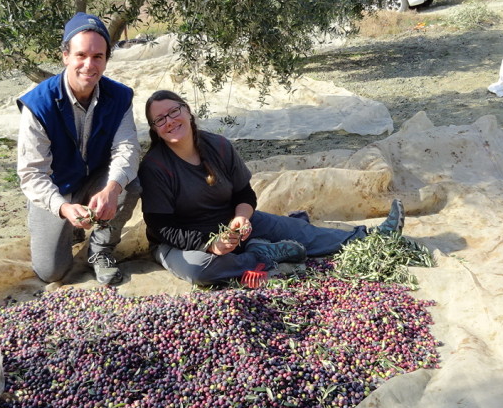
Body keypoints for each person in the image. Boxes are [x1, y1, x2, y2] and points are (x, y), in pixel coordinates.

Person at [138, 89, 405, 286]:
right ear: (154, 129)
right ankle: (260, 254)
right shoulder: (155, 166)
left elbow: (244, 193)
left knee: (299, 231)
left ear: (187, 110)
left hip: (231, 226)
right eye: (160, 120)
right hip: (183, 241)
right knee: (200, 271)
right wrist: (211, 245)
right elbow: (161, 228)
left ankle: (372, 237)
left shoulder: (218, 146)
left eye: (174, 111)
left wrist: (241, 218)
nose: (170, 121)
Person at [16, 13, 141, 285]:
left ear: (106, 59)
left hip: (94, 180)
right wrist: (63, 208)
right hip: (57, 188)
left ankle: (100, 249)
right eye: (81, 55)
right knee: (51, 272)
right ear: (65, 56)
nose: (89, 65)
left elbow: (127, 149)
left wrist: (111, 189)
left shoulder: (119, 97)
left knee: (131, 182)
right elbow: (32, 174)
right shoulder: (38, 105)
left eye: (98, 57)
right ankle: (60, 223)